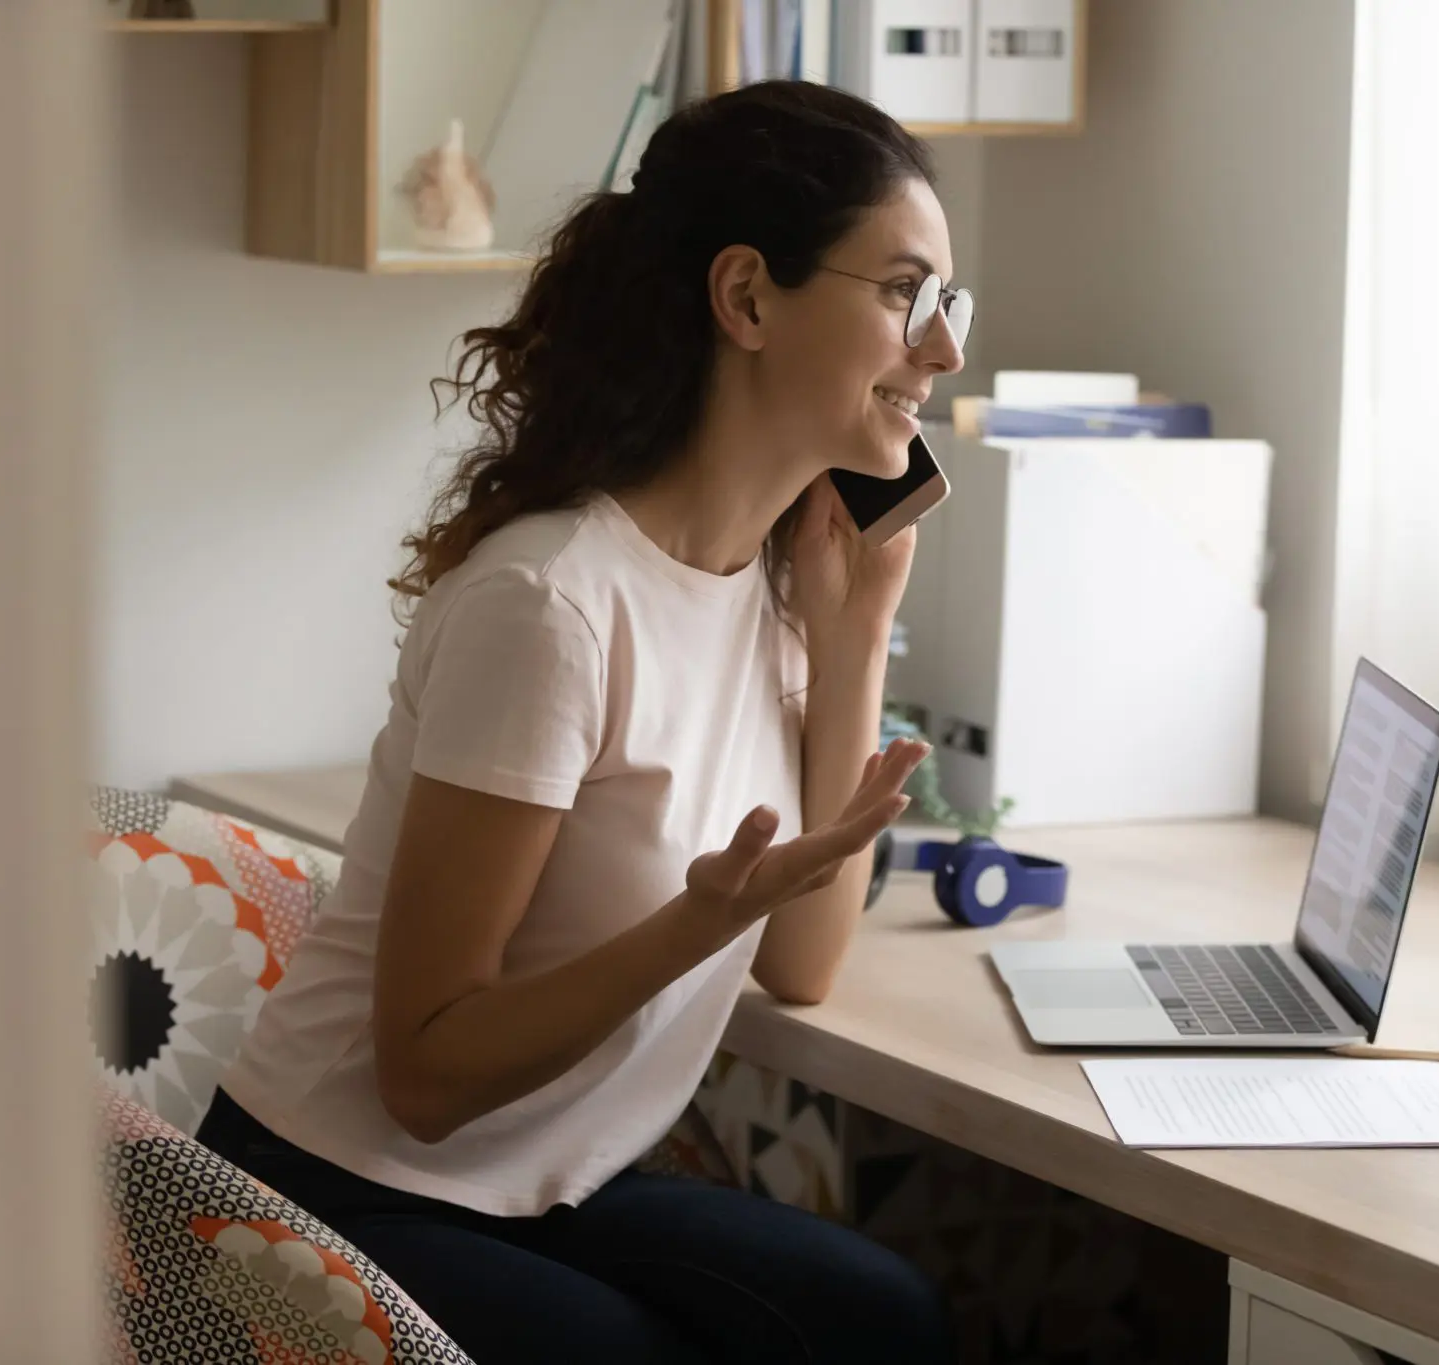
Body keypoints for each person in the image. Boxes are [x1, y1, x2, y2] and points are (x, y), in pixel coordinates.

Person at [196, 79, 969, 1364]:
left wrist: (854, 638)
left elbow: (803, 964)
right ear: (746, 299)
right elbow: (425, 1078)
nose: (940, 350)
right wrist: (697, 923)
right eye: (901, 293)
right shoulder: (550, 605)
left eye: (945, 300)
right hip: (335, 1185)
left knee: (882, 1316)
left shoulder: (775, 590)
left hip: (541, 1187)